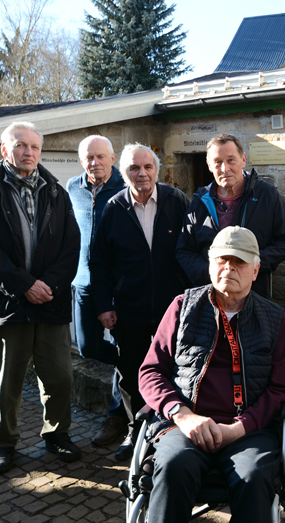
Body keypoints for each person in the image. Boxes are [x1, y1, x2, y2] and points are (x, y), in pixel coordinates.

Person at [139, 226, 285, 523]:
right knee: (174, 465)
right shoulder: (182, 308)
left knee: (253, 475)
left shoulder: (275, 320)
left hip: (249, 432)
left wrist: (238, 428)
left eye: (238, 262)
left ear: (255, 269)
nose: (229, 268)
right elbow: (151, 371)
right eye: (221, 260)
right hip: (186, 425)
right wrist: (183, 415)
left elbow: (282, 390)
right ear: (210, 264)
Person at [0, 121, 82, 474]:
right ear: (5, 149)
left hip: (50, 302)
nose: (28, 152)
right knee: (7, 383)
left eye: (34, 146)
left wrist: (49, 286)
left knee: (60, 377)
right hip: (9, 305)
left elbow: (70, 246)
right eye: (20, 145)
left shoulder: (56, 192)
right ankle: (5, 443)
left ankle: (57, 434)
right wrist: (23, 285)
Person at [91, 143, 191, 460]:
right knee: (131, 373)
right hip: (129, 309)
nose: (142, 173)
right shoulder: (112, 207)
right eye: (134, 168)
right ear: (124, 173)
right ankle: (136, 434)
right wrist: (104, 305)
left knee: (176, 370)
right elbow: (100, 261)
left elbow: (191, 251)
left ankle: (171, 431)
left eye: (147, 166)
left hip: (172, 309)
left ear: (157, 170)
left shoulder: (177, 201)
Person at [176, 133, 285, 297]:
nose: (225, 168)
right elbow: (184, 250)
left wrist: (251, 265)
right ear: (209, 165)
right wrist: (213, 273)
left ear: (243, 160)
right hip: (208, 295)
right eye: (218, 162)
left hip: (253, 295)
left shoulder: (267, 195)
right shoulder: (199, 201)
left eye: (231, 160)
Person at [66, 135, 127, 447]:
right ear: (81, 161)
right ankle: (132, 363)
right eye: (89, 158)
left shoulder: (125, 187)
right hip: (82, 284)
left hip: (116, 287)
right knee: (89, 347)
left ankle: (117, 416)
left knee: (124, 346)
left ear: (112, 158)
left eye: (101, 157)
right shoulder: (72, 188)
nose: (95, 163)